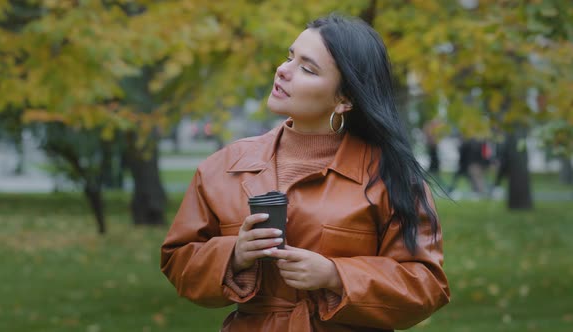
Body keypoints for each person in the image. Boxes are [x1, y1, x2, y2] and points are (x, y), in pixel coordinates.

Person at [161, 14, 450, 332]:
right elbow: (178, 260)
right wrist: (234, 254)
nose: (283, 71)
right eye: (289, 57)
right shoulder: (224, 167)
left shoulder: (390, 176)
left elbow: (426, 286)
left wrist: (335, 276)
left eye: (307, 69)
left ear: (344, 99)